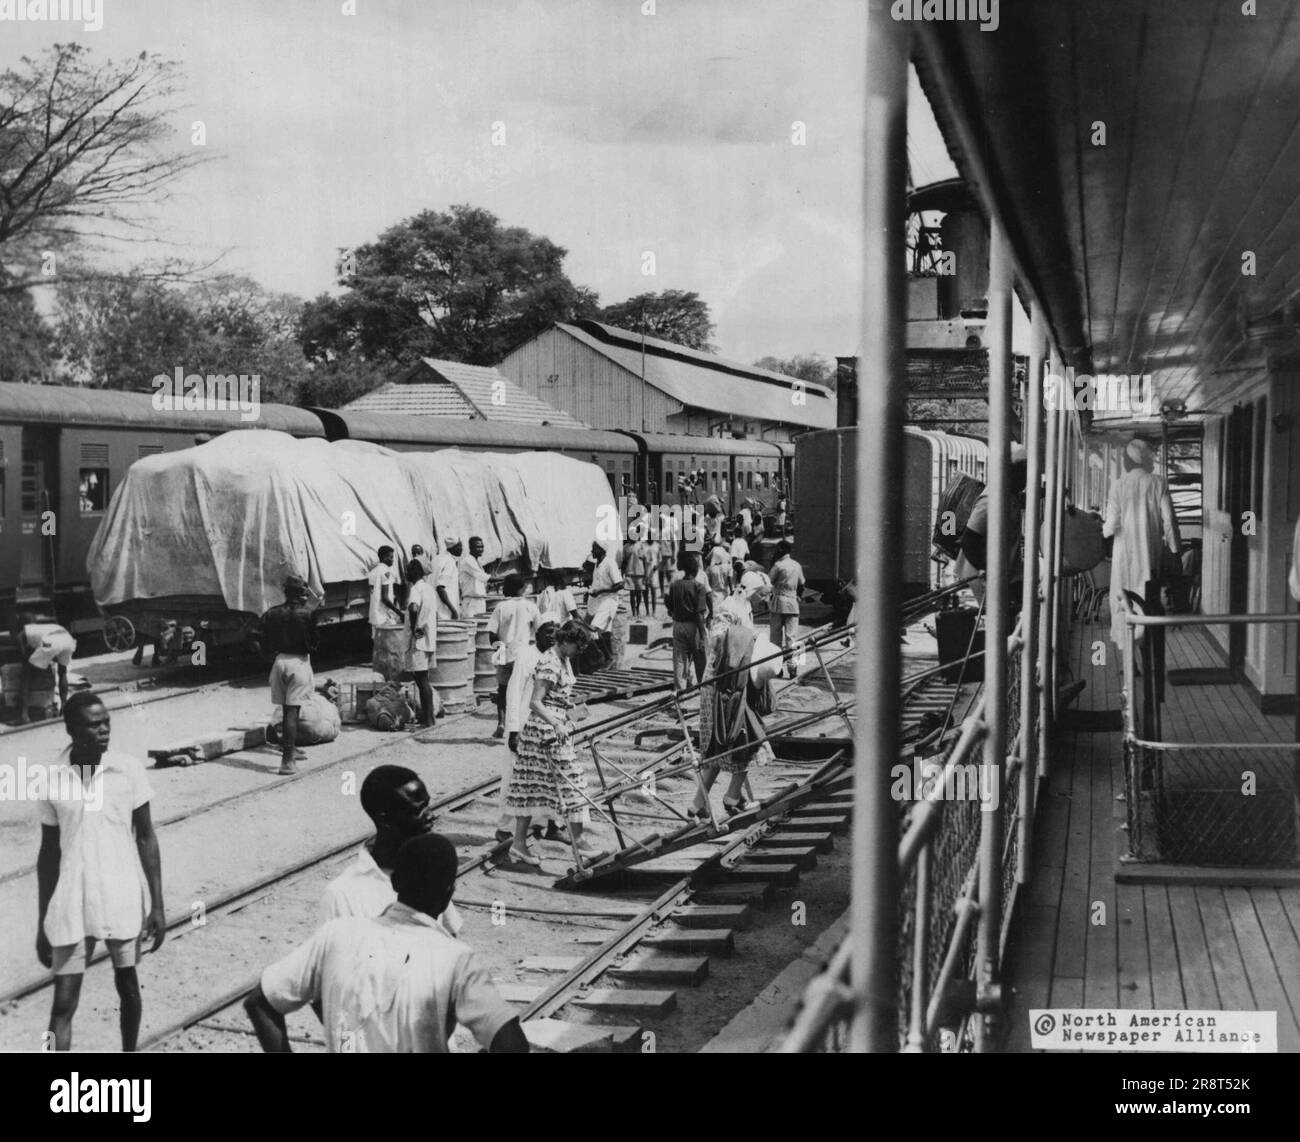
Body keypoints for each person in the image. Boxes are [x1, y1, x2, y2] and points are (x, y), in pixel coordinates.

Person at [244, 834, 527, 1053]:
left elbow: (260, 1002)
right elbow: (511, 1042)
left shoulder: (336, 934)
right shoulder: (457, 960)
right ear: (448, 892)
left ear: (395, 883)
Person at [35, 693, 166, 1051]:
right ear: (71, 730)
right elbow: (47, 855)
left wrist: (157, 905)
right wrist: (41, 923)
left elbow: (147, 838)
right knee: (63, 1002)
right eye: (94, 725)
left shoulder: (127, 770)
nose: (104, 730)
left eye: (107, 722)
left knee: (127, 986)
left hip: (120, 894)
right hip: (72, 901)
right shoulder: (51, 778)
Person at [322, 766, 462, 937]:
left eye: (428, 805)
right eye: (419, 810)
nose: (431, 816)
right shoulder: (343, 894)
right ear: (384, 818)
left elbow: (450, 936)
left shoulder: (427, 866)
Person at [502, 621, 597, 866]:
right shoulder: (550, 661)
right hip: (545, 733)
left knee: (530, 786)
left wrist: (571, 709)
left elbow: (555, 697)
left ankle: (519, 845)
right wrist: (556, 723)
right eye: (578, 646)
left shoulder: (562, 659)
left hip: (552, 729)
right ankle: (580, 842)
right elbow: (535, 702)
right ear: (566, 641)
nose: (579, 651)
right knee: (573, 781)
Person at [1103, 438, 1181, 705]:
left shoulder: (1118, 486)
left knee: (1122, 605)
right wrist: (1175, 551)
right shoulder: (1158, 482)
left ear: (1127, 461)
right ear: (1145, 460)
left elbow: (1110, 526)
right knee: (1148, 607)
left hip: (1123, 558)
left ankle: (1130, 662)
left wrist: (1102, 530)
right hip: (1150, 557)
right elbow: (1170, 522)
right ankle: (1148, 661)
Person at [686, 604, 776, 819]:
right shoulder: (741, 644)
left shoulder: (720, 640)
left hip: (711, 696)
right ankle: (732, 797)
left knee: (715, 752)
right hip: (730, 700)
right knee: (750, 744)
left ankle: (698, 803)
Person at [494, 622, 561, 843]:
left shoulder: (554, 656)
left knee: (543, 776)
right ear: (537, 633)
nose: (551, 637)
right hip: (523, 723)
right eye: (547, 632)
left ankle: (545, 824)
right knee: (514, 777)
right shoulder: (525, 655)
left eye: (555, 633)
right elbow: (513, 693)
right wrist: (513, 730)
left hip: (541, 726)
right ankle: (504, 827)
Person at [261, 574, 319, 775]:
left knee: (286, 709)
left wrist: (270, 655)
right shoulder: (308, 614)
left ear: (285, 592)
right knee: (292, 712)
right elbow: (315, 643)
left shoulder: (272, 613)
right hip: (299, 662)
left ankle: (291, 749)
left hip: (279, 662)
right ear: (302, 593)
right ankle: (287, 761)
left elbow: (258, 637)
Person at [487, 574, 541, 739]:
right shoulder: (531, 607)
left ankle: (502, 723)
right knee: (521, 693)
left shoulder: (501, 607)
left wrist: (500, 654)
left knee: (503, 690)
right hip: (524, 656)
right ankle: (518, 727)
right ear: (523, 589)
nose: (503, 589)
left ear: (512, 588)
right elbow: (540, 631)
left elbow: (492, 634)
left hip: (505, 654)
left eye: (505, 586)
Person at [9, 613, 75, 724]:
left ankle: (24, 716)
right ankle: (65, 709)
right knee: (62, 673)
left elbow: (24, 656)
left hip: (50, 642)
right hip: (67, 638)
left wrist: (32, 664)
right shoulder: (42, 627)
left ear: (21, 623)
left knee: (25, 675)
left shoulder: (24, 631)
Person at [667, 551, 710, 691]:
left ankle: (679, 692)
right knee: (700, 659)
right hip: (694, 626)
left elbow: (669, 603)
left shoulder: (675, 585)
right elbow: (698, 613)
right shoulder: (699, 587)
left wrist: (674, 613)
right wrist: (703, 633)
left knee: (679, 660)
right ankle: (702, 689)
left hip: (678, 625)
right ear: (697, 570)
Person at [404, 562, 439, 729]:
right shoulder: (429, 589)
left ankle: (428, 719)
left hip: (418, 641)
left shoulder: (416, 590)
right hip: (428, 640)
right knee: (424, 678)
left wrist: (414, 628)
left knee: (421, 679)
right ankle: (429, 716)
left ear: (412, 574)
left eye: (407, 572)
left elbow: (413, 607)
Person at [368, 545, 407, 681]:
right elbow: (385, 598)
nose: (392, 560)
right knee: (390, 646)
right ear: (384, 557)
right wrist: (399, 612)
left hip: (374, 613)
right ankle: (389, 673)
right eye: (391, 557)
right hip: (383, 614)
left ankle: (378, 670)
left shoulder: (373, 571)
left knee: (377, 645)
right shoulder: (386, 572)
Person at [768, 541, 805, 674]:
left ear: (781, 550)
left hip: (778, 604)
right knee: (792, 638)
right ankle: (794, 668)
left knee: (775, 638)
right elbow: (802, 584)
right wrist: (798, 596)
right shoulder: (797, 565)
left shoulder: (778, 565)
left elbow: (769, 581)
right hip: (793, 604)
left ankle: (777, 668)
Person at [586, 541, 623, 633]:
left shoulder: (610, 563)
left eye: (594, 549)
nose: (592, 551)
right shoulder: (597, 564)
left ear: (601, 550)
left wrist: (600, 591)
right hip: (596, 601)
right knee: (591, 629)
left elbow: (620, 584)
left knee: (593, 628)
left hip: (608, 600)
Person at [458, 536, 489, 620]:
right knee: (471, 628)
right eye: (478, 547)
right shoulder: (468, 561)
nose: (481, 549)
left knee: (480, 628)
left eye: (482, 547)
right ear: (471, 548)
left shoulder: (478, 561)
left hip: (480, 601)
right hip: (471, 601)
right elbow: (482, 577)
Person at [431, 539, 462, 622]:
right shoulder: (450, 562)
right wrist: (453, 610)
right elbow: (440, 587)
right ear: (453, 547)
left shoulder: (436, 558)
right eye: (460, 546)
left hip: (434, 609)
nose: (461, 549)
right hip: (445, 612)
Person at [625, 536, 650, 618]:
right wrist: (622, 574)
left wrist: (646, 574)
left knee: (639, 594)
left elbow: (645, 560)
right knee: (632, 594)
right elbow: (624, 561)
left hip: (640, 573)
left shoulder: (641, 545)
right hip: (630, 573)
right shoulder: (626, 547)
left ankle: (637, 608)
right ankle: (633, 612)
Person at [643, 536, 663, 618]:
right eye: (649, 534)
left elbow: (660, 559)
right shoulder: (643, 545)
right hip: (644, 570)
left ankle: (654, 612)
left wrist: (657, 566)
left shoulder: (657, 545)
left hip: (654, 572)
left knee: (653, 592)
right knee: (645, 592)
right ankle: (647, 611)